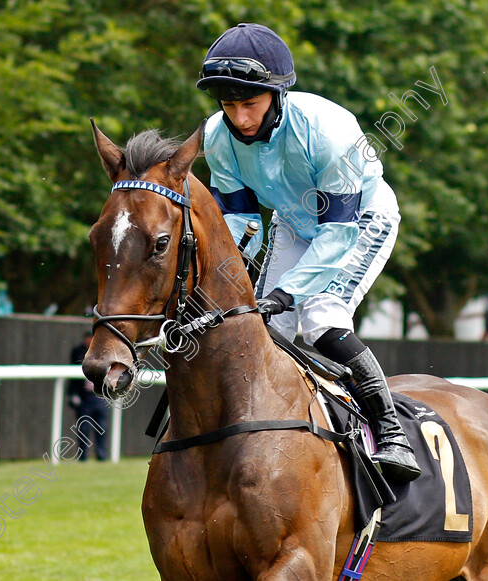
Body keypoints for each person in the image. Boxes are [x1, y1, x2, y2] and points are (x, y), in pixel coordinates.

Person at [196, 23, 420, 483]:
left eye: (250, 104)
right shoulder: (216, 137)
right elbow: (241, 222)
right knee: (261, 326)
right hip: (293, 222)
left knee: (320, 317)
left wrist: (287, 291)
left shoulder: (328, 132)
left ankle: (391, 429)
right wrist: (220, 279)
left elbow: (336, 234)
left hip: (358, 220)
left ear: (277, 95)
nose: (239, 118)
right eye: (229, 105)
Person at [68, 332, 109, 461]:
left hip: (99, 395)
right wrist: (73, 394)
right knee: (83, 428)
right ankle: (82, 456)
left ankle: (101, 455)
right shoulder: (78, 352)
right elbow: (73, 374)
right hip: (84, 396)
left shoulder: (104, 351)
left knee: (101, 427)